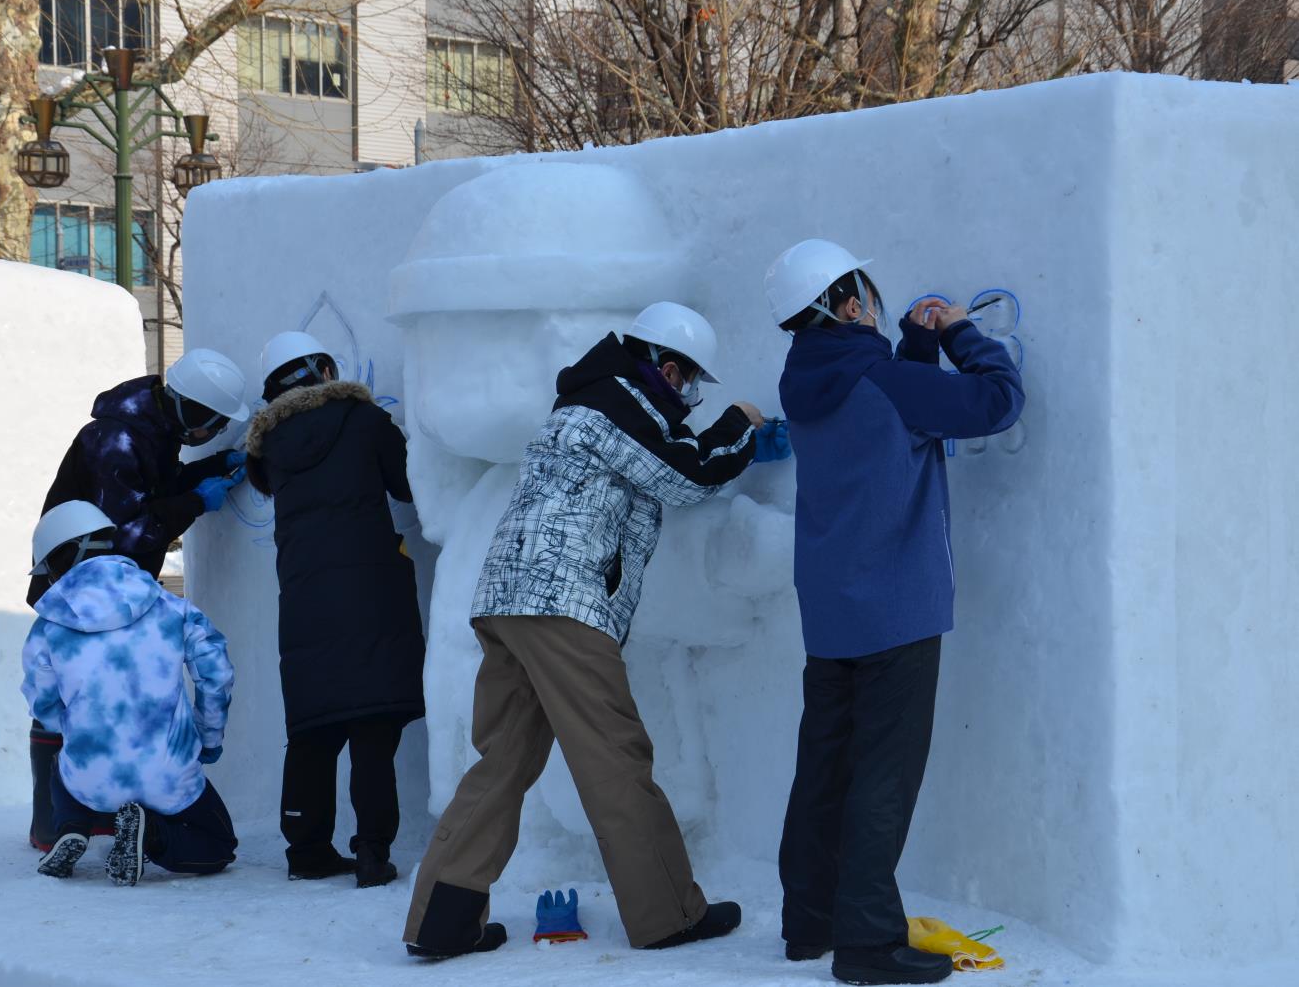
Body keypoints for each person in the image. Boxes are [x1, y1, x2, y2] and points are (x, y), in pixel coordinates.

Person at [402, 302, 789, 958]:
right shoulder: (618, 405)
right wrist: (740, 425)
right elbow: (688, 473)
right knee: (615, 758)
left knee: (504, 762)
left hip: (508, 602)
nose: (690, 402)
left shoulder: (587, 403)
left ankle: (444, 917)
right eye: (692, 387)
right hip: (562, 606)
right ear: (668, 370)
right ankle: (668, 913)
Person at [767, 240, 1025, 986]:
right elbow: (994, 403)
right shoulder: (882, 383)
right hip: (897, 610)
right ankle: (869, 944)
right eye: (867, 297)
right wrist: (959, 336)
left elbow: (889, 408)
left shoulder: (807, 384)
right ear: (848, 304)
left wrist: (913, 344)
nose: (873, 307)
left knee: (825, 766)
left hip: (832, 611)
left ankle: (810, 922)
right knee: (884, 774)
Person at [26, 349, 250, 852]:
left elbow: (151, 494)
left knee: (82, 698)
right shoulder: (117, 439)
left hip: (97, 587)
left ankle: (84, 820)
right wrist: (195, 502)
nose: (213, 434)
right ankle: (58, 824)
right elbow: (121, 531)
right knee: (74, 700)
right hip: (82, 588)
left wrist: (206, 472)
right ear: (191, 410)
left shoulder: (150, 430)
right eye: (213, 426)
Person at [245, 332, 425, 888]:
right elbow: (407, 484)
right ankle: (372, 851)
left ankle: (306, 850)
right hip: (371, 593)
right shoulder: (364, 421)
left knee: (314, 729)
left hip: (303, 603)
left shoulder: (269, 448)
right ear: (324, 369)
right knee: (372, 725)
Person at [21, 500, 237, 886]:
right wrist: (208, 738)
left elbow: (45, 706)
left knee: (61, 761)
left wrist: (78, 729)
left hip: (90, 779)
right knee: (219, 845)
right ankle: (153, 834)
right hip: (169, 776)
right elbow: (215, 674)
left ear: (64, 558)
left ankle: (72, 825)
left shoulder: (47, 627)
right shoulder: (172, 608)